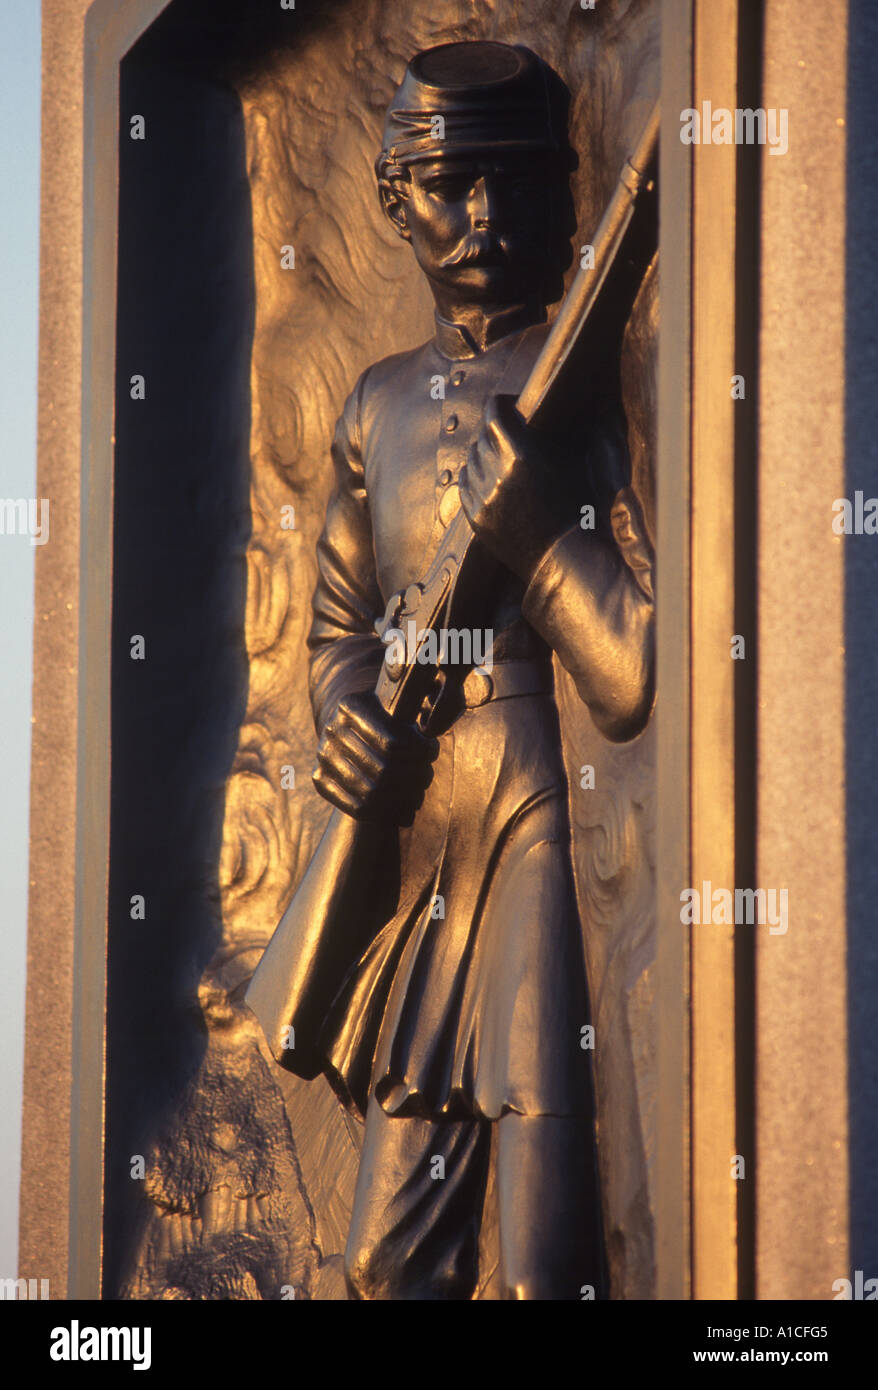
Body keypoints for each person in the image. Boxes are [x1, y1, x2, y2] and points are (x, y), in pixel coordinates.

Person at [258, 40, 655, 1300]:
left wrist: (538, 537)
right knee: (386, 1259)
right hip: (418, 826)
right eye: (446, 186)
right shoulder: (373, 406)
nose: (480, 217)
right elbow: (335, 630)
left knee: (545, 1221)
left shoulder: (586, 387)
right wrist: (343, 722)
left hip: (541, 801)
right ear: (393, 198)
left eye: (513, 184)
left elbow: (634, 666)